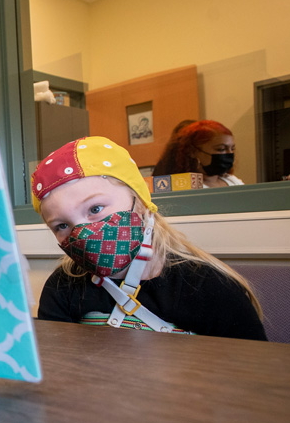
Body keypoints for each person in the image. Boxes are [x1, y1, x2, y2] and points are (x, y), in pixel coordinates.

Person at [32, 136, 266, 340]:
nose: (82, 232)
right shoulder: (63, 286)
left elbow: (252, 372)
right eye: (62, 225)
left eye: (95, 209)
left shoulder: (209, 286)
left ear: (141, 202)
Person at [153, 120, 243, 188]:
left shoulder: (233, 181)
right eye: (221, 149)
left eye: (232, 149)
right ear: (193, 151)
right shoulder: (183, 187)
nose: (229, 154)